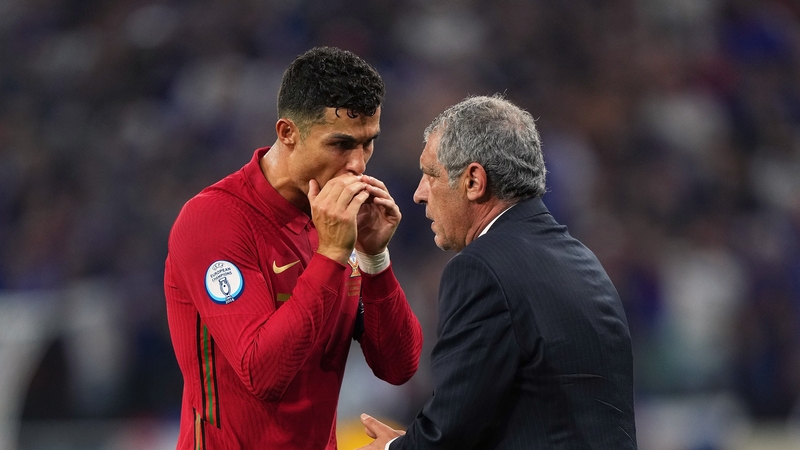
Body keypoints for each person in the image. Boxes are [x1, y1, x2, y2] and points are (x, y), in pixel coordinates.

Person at [164, 46, 423, 449]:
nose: (358, 164)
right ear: (288, 133)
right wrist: (332, 255)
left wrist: (375, 258)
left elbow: (398, 366)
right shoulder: (214, 220)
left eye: (367, 143)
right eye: (340, 145)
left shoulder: (339, 223)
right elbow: (262, 374)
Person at [358, 95, 637, 449]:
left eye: (430, 174)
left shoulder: (480, 270)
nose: (418, 194)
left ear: (474, 181)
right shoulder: (583, 263)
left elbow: (448, 435)